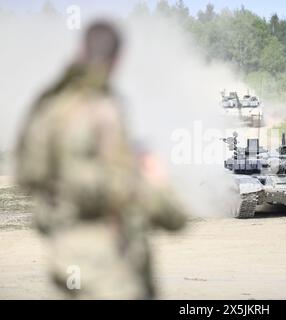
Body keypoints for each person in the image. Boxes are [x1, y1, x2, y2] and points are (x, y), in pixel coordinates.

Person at [15, 21, 186, 299]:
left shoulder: (48, 106)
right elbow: (124, 187)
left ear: (81, 50)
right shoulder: (104, 109)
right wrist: (161, 195)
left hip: (64, 256)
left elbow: (28, 174)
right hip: (111, 264)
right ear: (118, 58)